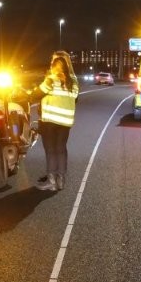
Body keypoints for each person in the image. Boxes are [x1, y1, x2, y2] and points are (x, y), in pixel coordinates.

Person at [29, 51, 79, 191]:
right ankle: (61, 180)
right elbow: (75, 98)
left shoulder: (51, 79)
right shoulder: (73, 81)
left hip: (50, 121)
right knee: (61, 150)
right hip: (65, 122)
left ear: (54, 65)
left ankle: (51, 181)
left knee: (50, 151)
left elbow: (37, 93)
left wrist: (28, 94)